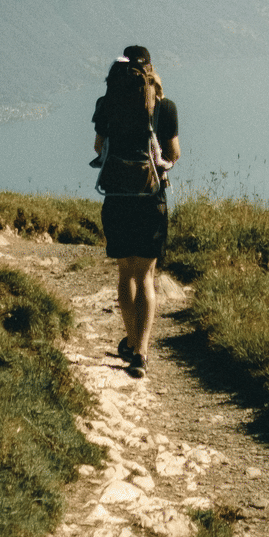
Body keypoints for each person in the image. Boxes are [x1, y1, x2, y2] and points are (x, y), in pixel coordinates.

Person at [92, 45, 179, 377]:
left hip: (116, 197)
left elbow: (99, 147)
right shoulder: (164, 107)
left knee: (125, 273)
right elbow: (173, 153)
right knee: (146, 276)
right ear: (150, 70)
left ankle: (130, 340)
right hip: (150, 198)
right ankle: (140, 352)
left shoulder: (107, 103)